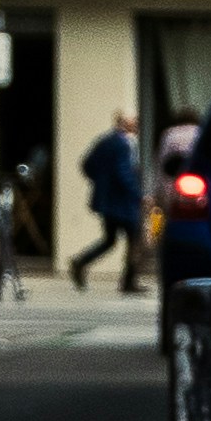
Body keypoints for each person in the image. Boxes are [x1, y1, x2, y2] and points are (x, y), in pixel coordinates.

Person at [70, 108, 142, 288]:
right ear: (125, 123)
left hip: (108, 201)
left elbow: (87, 164)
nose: (137, 125)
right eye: (134, 122)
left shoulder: (105, 140)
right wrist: (138, 195)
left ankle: (81, 262)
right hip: (123, 202)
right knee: (134, 238)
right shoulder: (123, 144)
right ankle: (129, 281)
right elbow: (123, 173)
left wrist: (101, 183)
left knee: (110, 240)